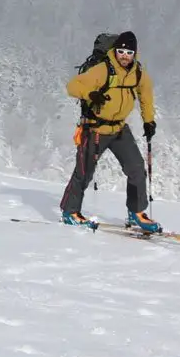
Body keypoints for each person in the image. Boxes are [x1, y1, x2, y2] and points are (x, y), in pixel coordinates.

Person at [59, 31, 160, 232]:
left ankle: (136, 212)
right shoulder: (103, 69)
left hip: (119, 128)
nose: (124, 55)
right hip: (95, 128)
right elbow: (72, 86)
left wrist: (149, 121)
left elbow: (146, 95)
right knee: (84, 172)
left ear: (135, 54)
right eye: (121, 51)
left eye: (128, 52)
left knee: (137, 168)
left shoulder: (138, 73)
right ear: (115, 50)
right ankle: (70, 212)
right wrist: (91, 94)